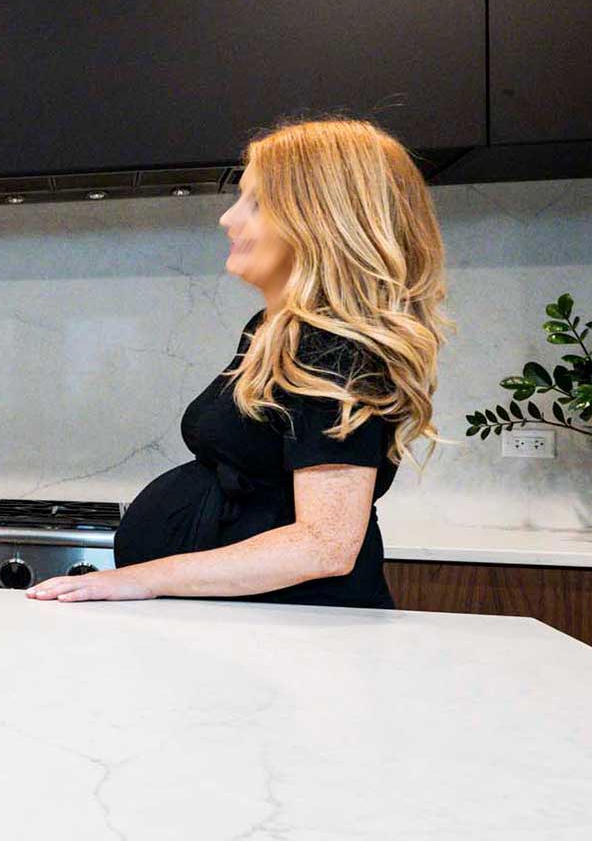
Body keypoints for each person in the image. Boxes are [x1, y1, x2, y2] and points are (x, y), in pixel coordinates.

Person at [29, 118, 448, 609]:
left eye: (256, 203)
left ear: (321, 221)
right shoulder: (277, 330)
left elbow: (325, 544)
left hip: (300, 636)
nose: (228, 219)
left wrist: (144, 578)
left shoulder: (336, 349)